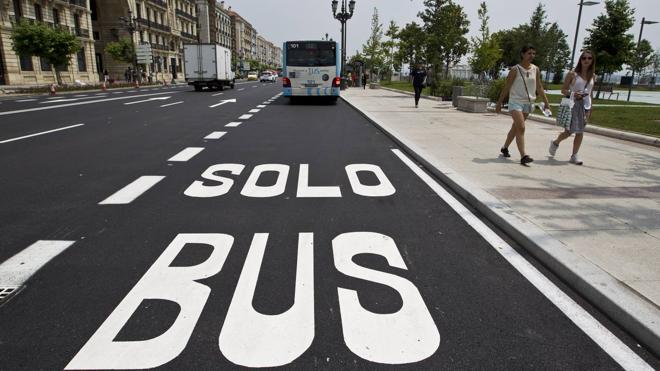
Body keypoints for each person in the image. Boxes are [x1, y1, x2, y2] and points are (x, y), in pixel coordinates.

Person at [496, 45, 550, 165]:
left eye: (533, 53)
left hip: (528, 103)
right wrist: (499, 103)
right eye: (529, 53)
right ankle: (523, 155)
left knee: (516, 128)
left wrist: (546, 102)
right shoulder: (515, 70)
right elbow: (507, 87)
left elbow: (539, 87)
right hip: (515, 102)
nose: (532, 56)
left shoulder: (536, 69)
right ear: (522, 54)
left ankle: (504, 147)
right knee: (521, 127)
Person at [548, 50, 596, 165]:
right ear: (580, 60)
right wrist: (574, 94)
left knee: (580, 131)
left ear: (592, 61)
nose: (586, 60)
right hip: (573, 104)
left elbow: (590, 93)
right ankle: (556, 142)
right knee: (569, 131)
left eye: (589, 58)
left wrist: (590, 108)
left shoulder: (593, 76)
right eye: (584, 58)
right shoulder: (572, 74)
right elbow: (563, 90)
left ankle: (574, 155)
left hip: (585, 106)